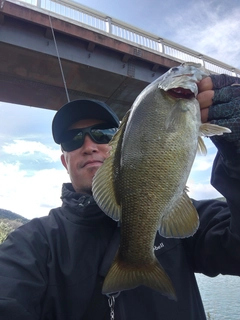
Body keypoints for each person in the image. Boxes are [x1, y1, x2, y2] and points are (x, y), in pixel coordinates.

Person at [0, 73, 240, 320]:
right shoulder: (34, 244)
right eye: (73, 139)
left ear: (121, 145)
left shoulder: (184, 216)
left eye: (102, 133)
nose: (89, 145)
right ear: (65, 161)